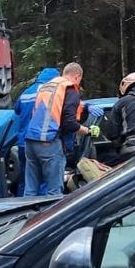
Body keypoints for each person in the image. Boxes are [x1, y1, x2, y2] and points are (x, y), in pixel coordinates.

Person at [22, 62, 95, 197]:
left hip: (30, 141)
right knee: (54, 192)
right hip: (49, 143)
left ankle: (26, 217)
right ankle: (53, 218)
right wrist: (88, 131)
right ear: (77, 77)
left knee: (30, 190)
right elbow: (69, 124)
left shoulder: (46, 87)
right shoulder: (70, 89)